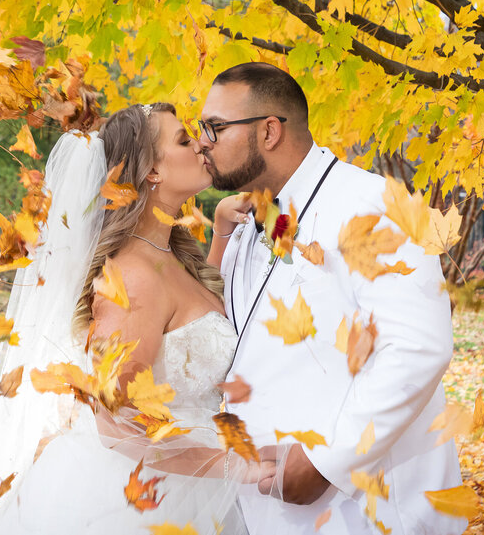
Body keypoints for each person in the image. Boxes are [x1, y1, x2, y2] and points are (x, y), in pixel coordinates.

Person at [0, 103, 271, 535]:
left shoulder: (169, 254)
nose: (202, 143)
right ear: (151, 171)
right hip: (147, 495)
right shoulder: (130, 279)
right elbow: (117, 426)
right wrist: (230, 466)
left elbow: (189, 318)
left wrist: (222, 236)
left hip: (188, 478)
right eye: (184, 140)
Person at [199, 63, 466, 535]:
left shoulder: (374, 205)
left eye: (215, 127)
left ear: (269, 132)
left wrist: (325, 463)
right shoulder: (252, 224)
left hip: (368, 511)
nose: (204, 141)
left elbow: (418, 346)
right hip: (268, 510)